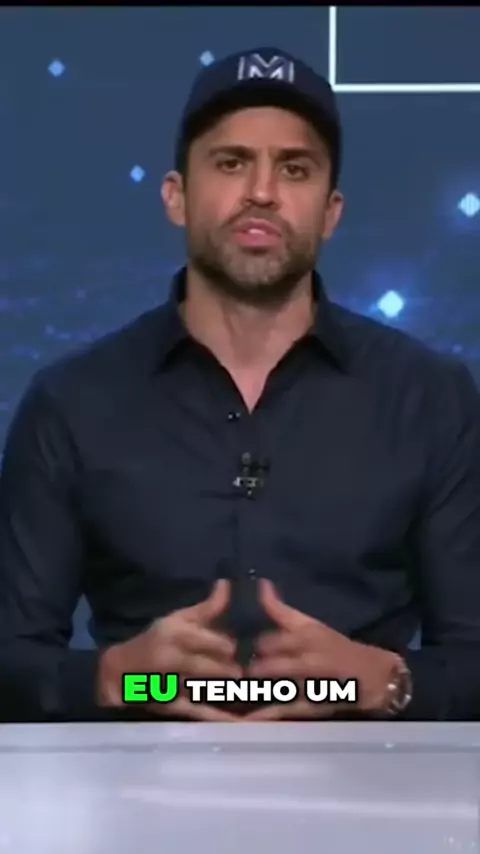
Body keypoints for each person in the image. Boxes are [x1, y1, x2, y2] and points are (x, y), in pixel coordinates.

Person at [1, 46, 480, 724]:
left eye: (295, 168)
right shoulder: (72, 403)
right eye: (231, 163)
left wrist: (380, 683)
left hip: (371, 781)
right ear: (176, 196)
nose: (262, 191)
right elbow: (13, 660)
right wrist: (117, 680)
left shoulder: (430, 399)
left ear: (331, 211)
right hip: (136, 784)